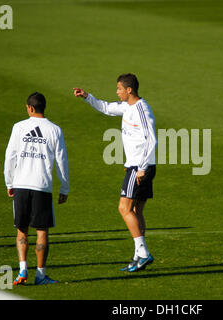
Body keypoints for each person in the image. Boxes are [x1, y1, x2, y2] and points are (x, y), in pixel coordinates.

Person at [73, 73, 157, 272]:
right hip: (140, 166)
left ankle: (143, 253)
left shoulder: (141, 110)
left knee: (123, 208)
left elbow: (151, 139)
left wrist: (142, 168)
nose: (117, 92)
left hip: (139, 166)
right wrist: (87, 97)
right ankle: (139, 256)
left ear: (129, 90)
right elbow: (106, 108)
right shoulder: (127, 107)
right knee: (136, 211)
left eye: (119, 88)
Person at [4, 92, 69, 285]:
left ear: (30, 108)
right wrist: (64, 187)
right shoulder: (55, 130)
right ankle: (40, 275)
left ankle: (22, 270)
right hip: (42, 186)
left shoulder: (18, 127)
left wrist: (9, 182)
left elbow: (10, 157)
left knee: (21, 230)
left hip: (21, 184)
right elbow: (62, 161)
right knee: (42, 231)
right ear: (43, 107)